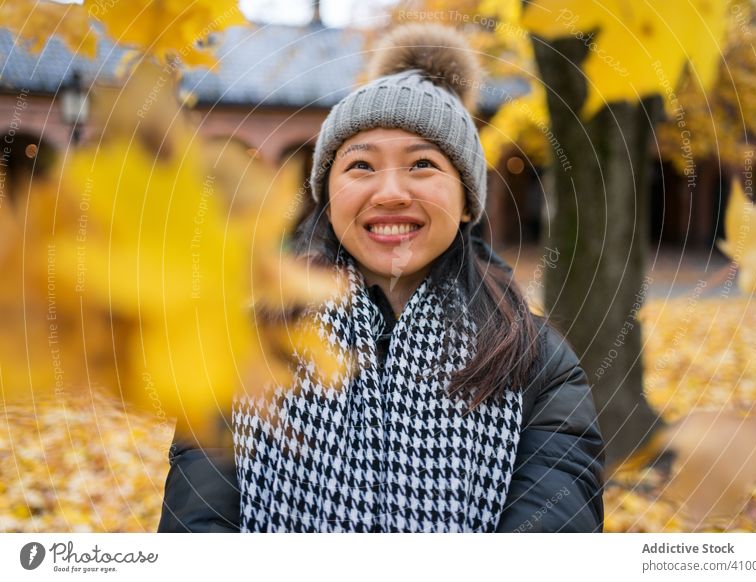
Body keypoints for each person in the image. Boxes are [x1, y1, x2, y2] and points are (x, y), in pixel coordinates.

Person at [158, 23, 604, 533]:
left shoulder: (536, 364)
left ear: (466, 204)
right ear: (328, 196)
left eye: (422, 164)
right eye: (361, 166)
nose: (390, 192)